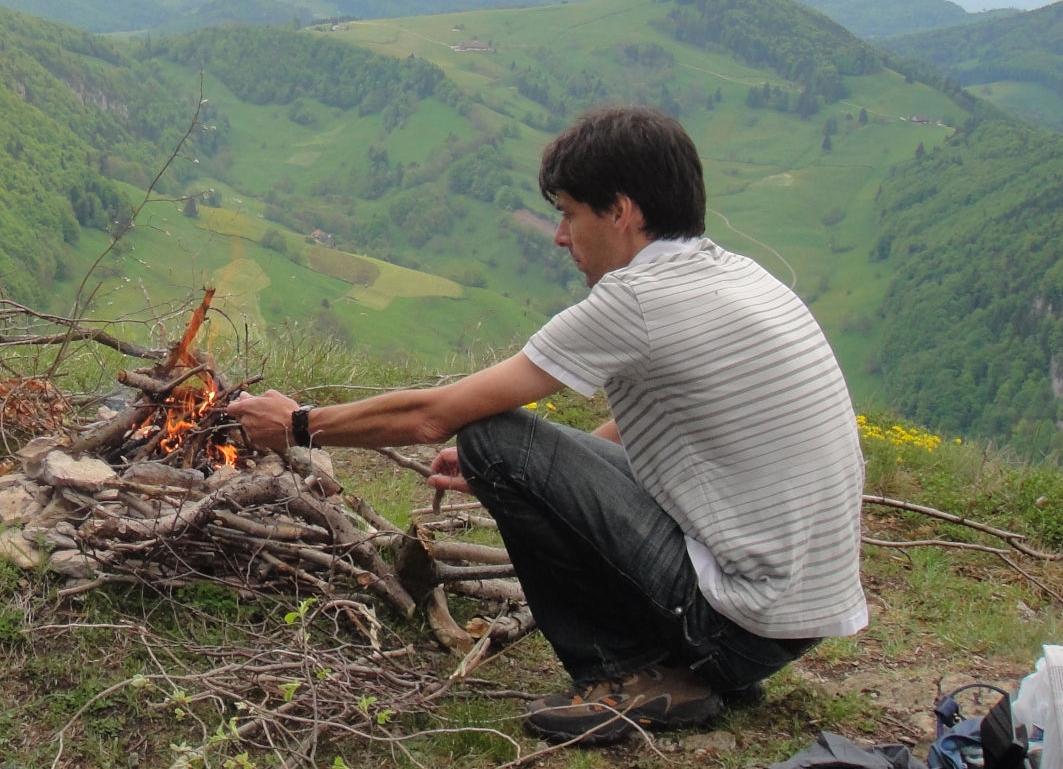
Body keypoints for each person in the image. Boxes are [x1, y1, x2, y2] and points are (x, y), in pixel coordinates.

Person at [228, 105, 866, 745]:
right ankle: (694, 666)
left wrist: (300, 425)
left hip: (733, 624)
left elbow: (435, 417)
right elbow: (674, 418)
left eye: (568, 213)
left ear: (620, 211)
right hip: (786, 620)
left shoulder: (637, 299)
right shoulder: (733, 274)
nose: (561, 236)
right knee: (516, 453)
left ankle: (628, 673)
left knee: (489, 438)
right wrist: (555, 482)